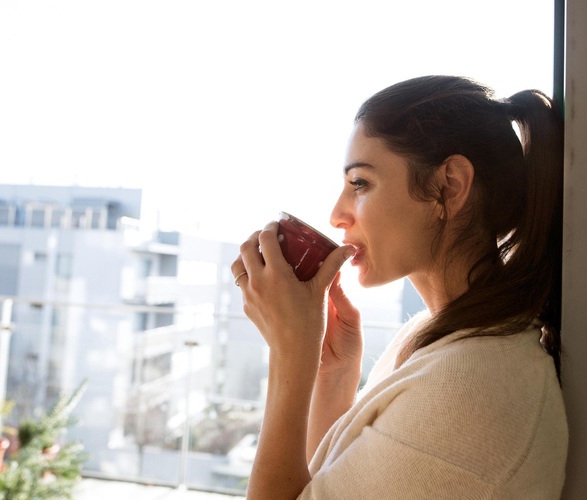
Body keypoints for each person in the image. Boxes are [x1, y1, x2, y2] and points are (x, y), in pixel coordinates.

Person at [230, 75, 567, 499]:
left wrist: (289, 356)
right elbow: (319, 486)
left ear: (450, 186)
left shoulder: (469, 389)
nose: (337, 214)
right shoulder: (437, 335)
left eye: (361, 184)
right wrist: (332, 371)